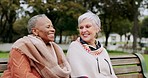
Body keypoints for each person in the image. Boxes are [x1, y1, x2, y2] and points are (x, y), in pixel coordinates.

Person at [2, 14, 71, 78]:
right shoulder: (21, 46)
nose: (53, 30)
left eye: (52, 26)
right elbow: (21, 75)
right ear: (35, 31)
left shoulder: (55, 48)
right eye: (48, 27)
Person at [66, 11, 117, 78]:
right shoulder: (75, 47)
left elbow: (112, 75)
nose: (84, 30)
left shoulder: (103, 51)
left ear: (97, 29)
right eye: (81, 28)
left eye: (87, 26)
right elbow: (78, 75)